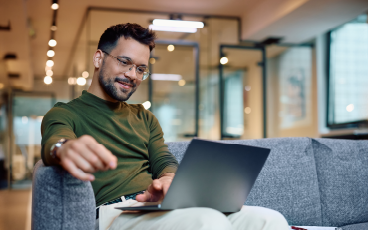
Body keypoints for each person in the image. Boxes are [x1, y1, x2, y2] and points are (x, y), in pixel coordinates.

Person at [40, 23, 289, 230]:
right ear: (98, 58)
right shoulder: (65, 112)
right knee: (208, 222)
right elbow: (56, 140)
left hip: (156, 207)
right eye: (124, 62)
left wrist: (169, 180)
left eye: (140, 69)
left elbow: (163, 159)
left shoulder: (144, 117)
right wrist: (65, 148)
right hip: (113, 214)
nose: (132, 75)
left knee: (270, 220)